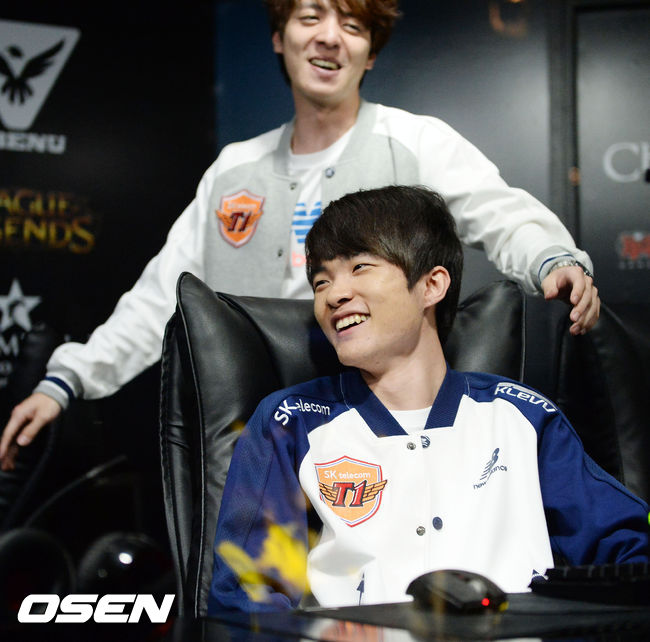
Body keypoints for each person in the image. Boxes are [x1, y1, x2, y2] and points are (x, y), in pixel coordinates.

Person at [0, 0, 600, 470]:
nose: (330, 37)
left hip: (385, 429)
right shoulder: (233, 169)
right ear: (278, 37)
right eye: (310, 17)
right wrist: (69, 380)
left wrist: (552, 258)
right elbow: (159, 296)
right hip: (255, 431)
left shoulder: (416, 142)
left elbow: (502, 214)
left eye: (353, 26)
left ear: (370, 54)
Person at [207, 185, 647, 613]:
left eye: (360, 267)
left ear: (432, 285)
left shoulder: (522, 415)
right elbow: (248, 594)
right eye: (321, 281)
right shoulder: (291, 421)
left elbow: (630, 543)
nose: (334, 295)